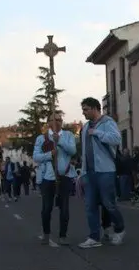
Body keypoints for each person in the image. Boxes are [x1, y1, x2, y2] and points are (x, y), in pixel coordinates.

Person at [78, 97, 125, 248]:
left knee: (108, 203)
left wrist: (98, 133)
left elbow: (116, 139)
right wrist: (82, 172)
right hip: (89, 172)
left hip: (105, 170)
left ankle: (119, 229)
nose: (83, 112)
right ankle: (94, 237)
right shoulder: (85, 127)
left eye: (86, 109)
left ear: (94, 108)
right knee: (90, 205)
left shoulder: (107, 122)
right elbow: (84, 151)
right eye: (83, 110)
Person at [32, 113, 77, 245]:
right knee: (47, 208)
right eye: (54, 120)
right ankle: (46, 233)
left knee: (64, 207)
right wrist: (49, 154)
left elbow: (73, 151)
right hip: (48, 177)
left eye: (59, 119)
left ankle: (63, 235)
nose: (57, 122)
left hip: (65, 176)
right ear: (49, 122)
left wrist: (60, 141)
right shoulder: (42, 138)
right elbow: (36, 157)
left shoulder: (68, 135)